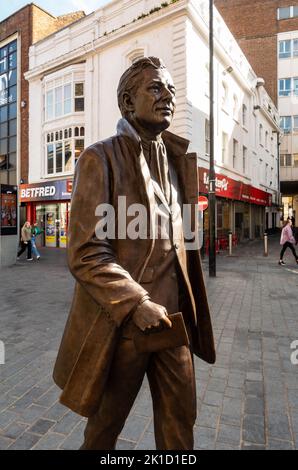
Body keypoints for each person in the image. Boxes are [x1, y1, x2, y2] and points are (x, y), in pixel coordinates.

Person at [53, 57, 216, 450]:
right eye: (156, 88)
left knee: (181, 425)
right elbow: (86, 250)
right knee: (105, 428)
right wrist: (135, 303)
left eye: (171, 90)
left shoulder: (178, 162)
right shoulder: (100, 157)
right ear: (128, 102)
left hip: (173, 323)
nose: (168, 98)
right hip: (123, 324)